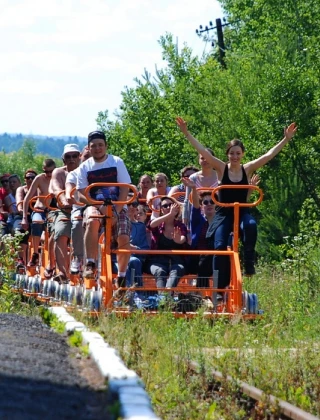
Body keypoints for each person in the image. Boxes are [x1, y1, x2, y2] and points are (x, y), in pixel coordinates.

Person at [176, 116, 297, 288]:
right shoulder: (220, 167)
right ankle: (219, 287)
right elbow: (202, 151)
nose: (235, 156)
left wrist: (285, 139)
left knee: (250, 225)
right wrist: (186, 133)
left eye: (238, 153)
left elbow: (268, 155)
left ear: (242, 154)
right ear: (227, 154)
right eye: (232, 153)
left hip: (241, 211)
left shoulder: (247, 169)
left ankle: (248, 262)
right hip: (223, 213)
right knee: (219, 247)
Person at [77, 130, 131, 288]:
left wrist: (118, 210)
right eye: (94, 146)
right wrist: (98, 205)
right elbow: (81, 193)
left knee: (123, 235)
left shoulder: (116, 162)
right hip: (95, 203)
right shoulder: (85, 167)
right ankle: (91, 263)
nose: (98, 148)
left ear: (106, 146)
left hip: (116, 205)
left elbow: (125, 189)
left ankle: (121, 276)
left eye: (100, 145)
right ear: (89, 148)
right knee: (93, 220)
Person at [49, 144, 81, 283]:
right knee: (61, 233)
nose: (72, 159)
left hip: (82, 209)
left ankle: (86, 268)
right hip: (65, 211)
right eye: (68, 156)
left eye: (75, 156)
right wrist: (63, 199)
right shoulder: (59, 172)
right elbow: (56, 188)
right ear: (63, 159)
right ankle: (62, 272)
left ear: (79, 157)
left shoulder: (85, 170)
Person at [21, 158, 56, 273]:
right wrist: (24, 218)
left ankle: (54, 262)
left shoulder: (59, 177)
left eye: (51, 172)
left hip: (54, 210)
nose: (49, 175)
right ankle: (35, 254)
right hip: (39, 209)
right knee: (36, 222)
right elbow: (27, 199)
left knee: (57, 231)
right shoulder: (39, 178)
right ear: (43, 170)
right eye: (46, 172)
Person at [146, 196, 188, 289]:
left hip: (176, 261)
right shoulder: (158, 224)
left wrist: (178, 240)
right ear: (161, 210)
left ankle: (165, 299)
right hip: (157, 260)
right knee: (159, 271)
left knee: (177, 270)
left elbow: (183, 239)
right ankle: (164, 299)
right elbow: (151, 225)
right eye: (165, 206)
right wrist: (169, 215)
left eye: (171, 205)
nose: (168, 207)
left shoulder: (180, 226)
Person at [65, 145, 91, 274]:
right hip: (80, 206)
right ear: (81, 157)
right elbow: (69, 188)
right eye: (86, 156)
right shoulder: (74, 174)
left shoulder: (99, 172)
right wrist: (69, 194)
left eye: (90, 157)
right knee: (76, 223)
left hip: (98, 207)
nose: (88, 159)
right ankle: (78, 257)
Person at [113, 196, 150, 287]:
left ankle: (138, 292)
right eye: (128, 204)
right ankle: (126, 293)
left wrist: (134, 249)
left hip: (134, 257)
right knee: (124, 266)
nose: (131, 207)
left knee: (134, 261)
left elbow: (144, 249)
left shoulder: (141, 227)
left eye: (134, 204)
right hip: (117, 258)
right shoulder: (114, 223)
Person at [183, 149, 218, 229]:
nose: (205, 160)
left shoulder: (220, 176)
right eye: (202, 158)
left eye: (208, 157)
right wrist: (185, 218)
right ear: (199, 161)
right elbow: (187, 200)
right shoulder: (193, 178)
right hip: (198, 216)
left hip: (217, 216)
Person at [14, 169, 38, 268]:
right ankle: (20, 259)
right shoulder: (21, 189)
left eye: (33, 177)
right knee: (20, 230)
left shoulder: (39, 189)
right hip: (22, 215)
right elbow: (19, 204)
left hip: (36, 214)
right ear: (25, 180)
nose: (30, 179)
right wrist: (22, 211)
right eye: (28, 177)